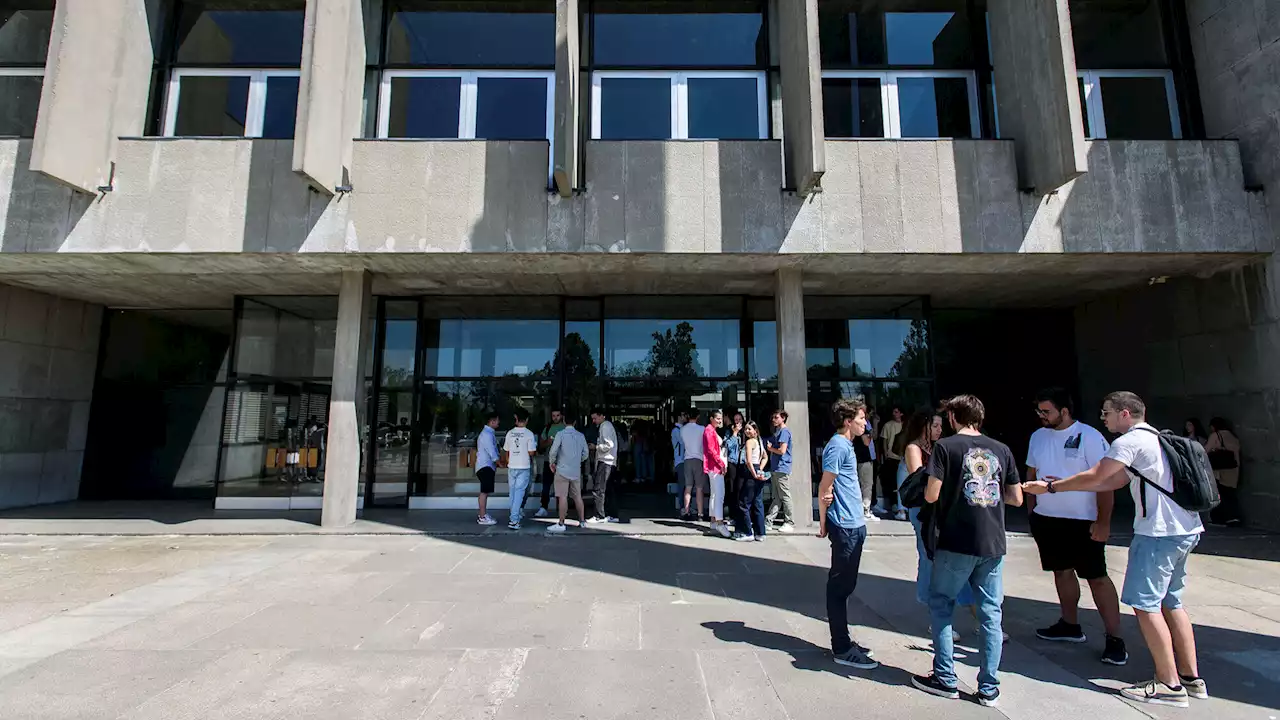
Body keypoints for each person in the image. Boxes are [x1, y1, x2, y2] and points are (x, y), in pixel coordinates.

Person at [1023, 391, 1207, 707]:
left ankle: (1168, 685)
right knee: (1172, 602)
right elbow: (1113, 482)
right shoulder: (1156, 438)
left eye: (1107, 412)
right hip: (1185, 530)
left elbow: (1098, 474)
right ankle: (1191, 679)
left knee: (1146, 605)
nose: (1103, 418)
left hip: (1158, 535)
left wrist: (1051, 487)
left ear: (1124, 413)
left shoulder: (1129, 441)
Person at [911, 395, 1022, 708]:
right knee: (990, 614)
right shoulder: (1002, 449)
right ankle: (989, 687)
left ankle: (945, 678)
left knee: (942, 603)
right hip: (993, 540)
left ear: (952, 417)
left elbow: (931, 495)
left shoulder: (946, 447)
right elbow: (1016, 498)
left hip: (957, 538)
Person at [1025, 388, 1128, 665]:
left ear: (1065, 411)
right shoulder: (1037, 437)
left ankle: (1115, 638)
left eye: (1046, 411)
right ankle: (1069, 625)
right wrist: (1032, 511)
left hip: (1084, 523)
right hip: (1047, 520)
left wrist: (1103, 521)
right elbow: (1031, 474)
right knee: (1061, 572)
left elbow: (1106, 481)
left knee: (1097, 577)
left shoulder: (1090, 437)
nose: (1041, 416)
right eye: (1039, 411)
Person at [817, 397, 878, 670]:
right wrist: (823, 523)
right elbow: (824, 487)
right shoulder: (837, 446)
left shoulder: (847, 445)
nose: (865, 422)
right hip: (845, 526)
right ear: (847, 421)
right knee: (839, 588)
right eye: (861, 418)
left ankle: (843, 643)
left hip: (854, 524)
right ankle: (841, 647)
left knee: (846, 586)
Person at [899, 411, 974, 627]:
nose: (940, 430)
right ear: (924, 426)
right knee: (929, 556)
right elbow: (920, 478)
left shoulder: (940, 447)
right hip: (924, 510)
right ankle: (935, 613)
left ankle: (965, 610)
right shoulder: (914, 448)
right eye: (935, 426)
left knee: (949, 559)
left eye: (941, 426)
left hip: (942, 508)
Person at [546, 411, 590, 533]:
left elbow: (553, 451)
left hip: (562, 469)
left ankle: (561, 523)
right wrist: (577, 460)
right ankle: (582, 521)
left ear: (564, 421)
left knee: (562, 496)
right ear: (575, 422)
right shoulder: (580, 436)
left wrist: (552, 462)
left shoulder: (560, 434)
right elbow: (585, 453)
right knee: (577, 496)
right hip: (575, 470)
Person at [502, 408, 538, 530]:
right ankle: (514, 520)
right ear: (527, 419)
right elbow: (532, 452)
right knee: (519, 494)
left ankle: (513, 517)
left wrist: (509, 461)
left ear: (516, 418)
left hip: (512, 466)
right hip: (523, 466)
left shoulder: (510, 433)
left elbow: (506, 451)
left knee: (512, 493)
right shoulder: (529, 434)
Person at [1205, 417, 1242, 526]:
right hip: (1233, 469)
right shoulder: (1233, 437)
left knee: (1219, 494)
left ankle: (1219, 518)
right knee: (1230, 494)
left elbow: (1205, 450)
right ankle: (1234, 517)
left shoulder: (1216, 435)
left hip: (1220, 471)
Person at [587, 408, 620, 524]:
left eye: (595, 418)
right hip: (611, 461)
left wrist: (595, 447)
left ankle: (599, 515)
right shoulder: (608, 426)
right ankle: (612, 514)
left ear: (602, 416)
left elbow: (608, 445)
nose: (594, 421)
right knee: (609, 489)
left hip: (605, 461)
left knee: (599, 489)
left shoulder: (604, 426)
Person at [764, 410, 795, 533]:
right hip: (777, 468)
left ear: (783, 418)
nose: (774, 419)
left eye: (776, 417)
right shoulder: (778, 432)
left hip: (782, 467)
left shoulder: (784, 432)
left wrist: (771, 448)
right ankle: (769, 520)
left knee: (785, 496)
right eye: (773, 417)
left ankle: (789, 522)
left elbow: (782, 451)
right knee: (777, 496)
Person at [738, 421, 769, 542]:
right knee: (758, 502)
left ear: (755, 430)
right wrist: (760, 469)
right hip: (757, 470)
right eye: (746, 429)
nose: (747, 431)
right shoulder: (759, 441)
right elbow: (765, 457)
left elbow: (748, 461)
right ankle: (760, 533)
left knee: (744, 503)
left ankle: (747, 532)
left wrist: (754, 472)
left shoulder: (750, 442)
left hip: (750, 472)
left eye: (749, 429)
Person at [703, 409, 731, 538]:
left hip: (713, 467)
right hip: (715, 467)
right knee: (719, 495)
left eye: (720, 418)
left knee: (715, 494)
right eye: (717, 418)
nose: (720, 421)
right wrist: (722, 464)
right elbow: (712, 451)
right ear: (711, 418)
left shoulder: (711, 430)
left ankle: (714, 521)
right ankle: (720, 523)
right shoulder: (709, 431)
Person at [535, 409, 566, 518]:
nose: (555, 418)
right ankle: (543, 507)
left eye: (557, 415)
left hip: (562, 462)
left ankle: (562, 510)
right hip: (548, 461)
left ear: (561, 416)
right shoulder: (547, 428)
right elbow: (541, 445)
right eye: (553, 415)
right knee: (546, 486)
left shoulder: (566, 428)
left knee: (562, 487)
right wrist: (547, 442)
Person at [681, 410, 708, 521]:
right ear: (698, 416)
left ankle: (686, 512)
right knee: (699, 488)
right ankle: (700, 514)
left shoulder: (682, 429)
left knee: (688, 487)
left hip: (687, 459)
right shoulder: (702, 429)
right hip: (699, 459)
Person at [475, 411, 501, 526]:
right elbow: (492, 452)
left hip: (485, 466)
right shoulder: (487, 434)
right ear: (492, 421)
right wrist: (499, 462)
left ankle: (483, 514)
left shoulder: (488, 433)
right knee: (484, 492)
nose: (498, 423)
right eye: (497, 420)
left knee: (485, 491)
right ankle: (482, 516)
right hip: (485, 466)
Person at [878, 406, 905, 517]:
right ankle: (894, 503)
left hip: (903, 457)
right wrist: (885, 454)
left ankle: (902, 506)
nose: (894, 414)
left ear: (901, 413)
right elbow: (884, 440)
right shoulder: (888, 425)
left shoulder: (905, 425)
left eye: (896, 412)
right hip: (891, 457)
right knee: (892, 482)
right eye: (893, 411)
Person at [725, 413, 746, 536]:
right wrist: (734, 433)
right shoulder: (729, 432)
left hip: (743, 462)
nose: (738, 422)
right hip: (732, 462)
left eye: (740, 419)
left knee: (741, 489)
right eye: (735, 419)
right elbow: (728, 445)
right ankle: (733, 515)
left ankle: (741, 515)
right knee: (732, 489)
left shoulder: (746, 431)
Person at [855, 415, 878, 523]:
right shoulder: (862, 428)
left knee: (863, 484)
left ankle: (863, 509)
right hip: (863, 459)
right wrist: (869, 433)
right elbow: (866, 441)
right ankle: (865, 510)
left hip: (862, 458)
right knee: (867, 485)